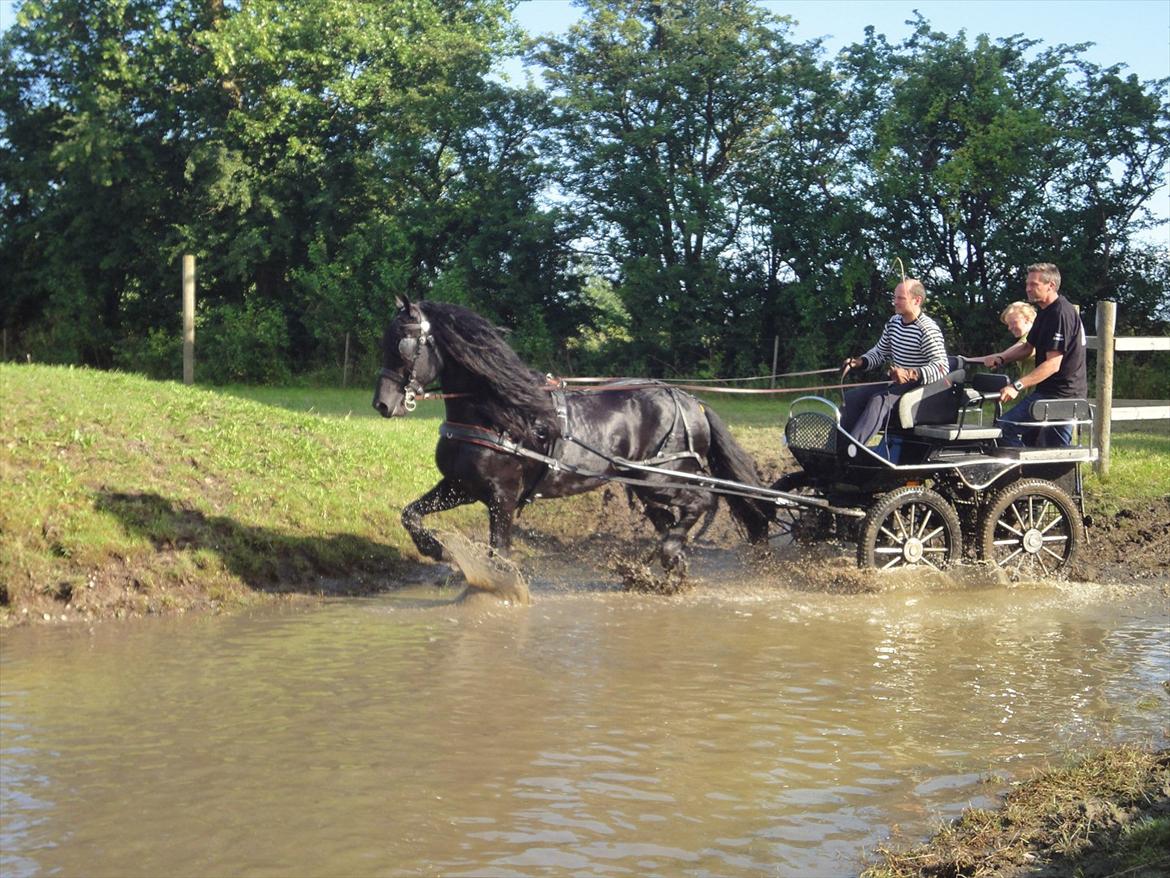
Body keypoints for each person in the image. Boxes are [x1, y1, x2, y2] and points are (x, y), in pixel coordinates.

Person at [975, 263, 1087, 446]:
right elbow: (1028, 347)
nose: (1027, 289)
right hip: (1049, 393)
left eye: (1033, 285)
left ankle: (1025, 472)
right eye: (1027, 284)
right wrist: (1002, 358)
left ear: (1050, 285)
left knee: (1004, 429)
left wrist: (1016, 386)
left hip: (1061, 396)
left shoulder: (1060, 313)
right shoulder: (1045, 312)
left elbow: (1053, 364)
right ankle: (1035, 472)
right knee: (1040, 444)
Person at [841, 279, 950, 450]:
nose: (895, 302)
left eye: (901, 298)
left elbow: (942, 366)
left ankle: (853, 451)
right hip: (897, 384)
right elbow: (880, 352)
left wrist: (910, 373)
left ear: (917, 300)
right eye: (895, 297)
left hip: (921, 389)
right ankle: (837, 449)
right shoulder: (894, 323)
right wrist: (860, 362)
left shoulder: (927, 329)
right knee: (851, 398)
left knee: (879, 401)